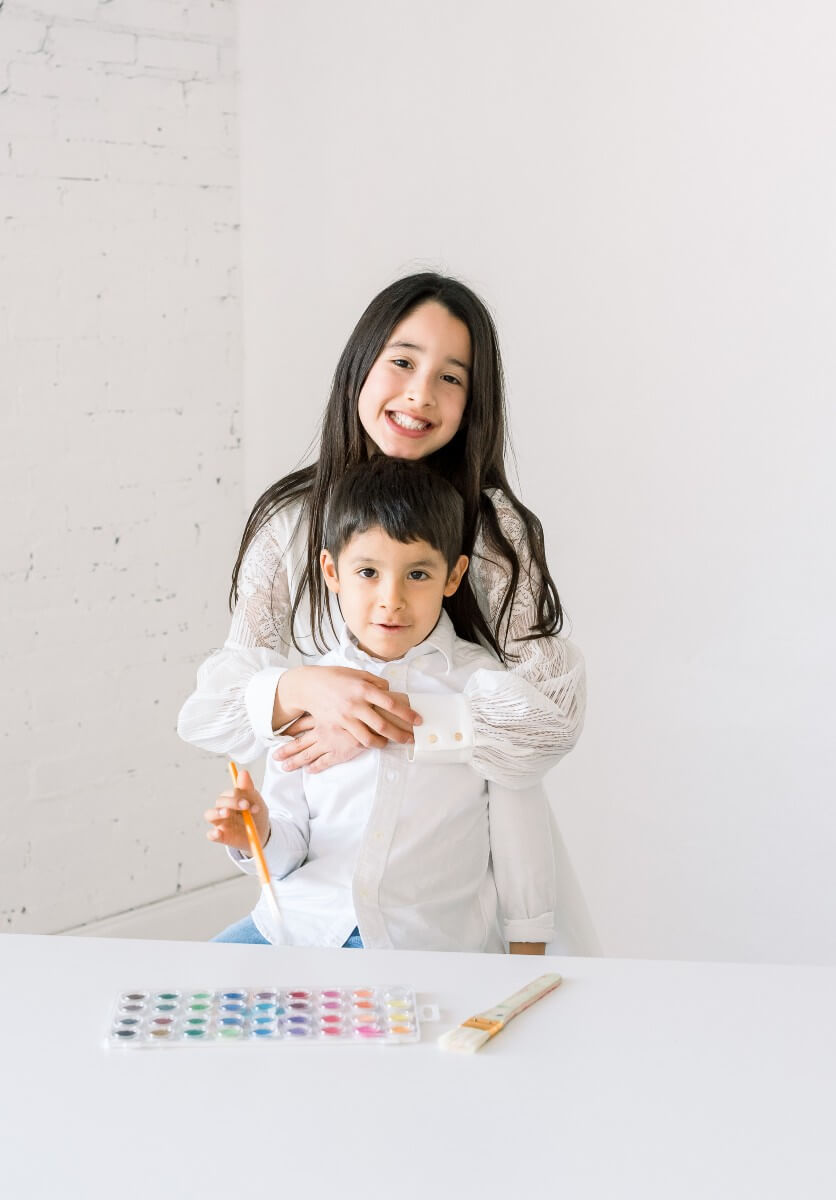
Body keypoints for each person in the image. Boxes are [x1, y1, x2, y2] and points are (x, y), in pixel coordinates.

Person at [178, 272, 586, 784]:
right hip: (328, 843)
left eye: (451, 377)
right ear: (359, 367)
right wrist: (304, 689)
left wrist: (392, 720)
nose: (420, 395)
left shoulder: (490, 527)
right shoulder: (290, 521)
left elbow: (553, 714)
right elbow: (213, 712)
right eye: (403, 362)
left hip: (465, 843)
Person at [205, 459, 563, 953]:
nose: (390, 600)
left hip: (426, 943)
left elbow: (519, 838)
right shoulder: (312, 688)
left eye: (417, 573)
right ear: (332, 571)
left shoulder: (487, 688)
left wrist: (526, 949)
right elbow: (288, 850)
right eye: (368, 572)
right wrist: (257, 832)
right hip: (297, 930)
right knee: (184, 995)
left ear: (453, 575)